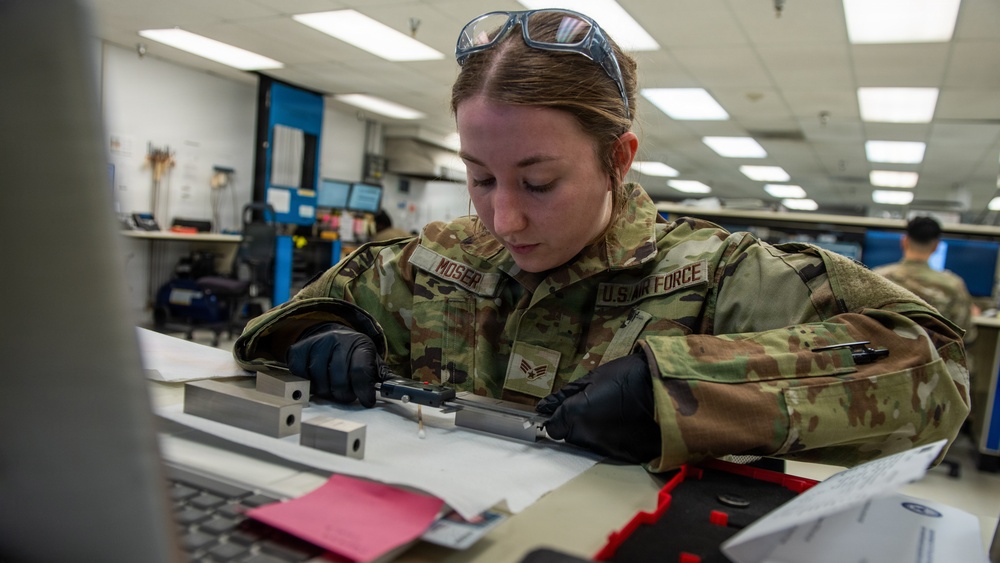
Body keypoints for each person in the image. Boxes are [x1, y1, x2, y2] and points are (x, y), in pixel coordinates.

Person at [234, 9, 969, 471]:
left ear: (619, 158)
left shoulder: (720, 276)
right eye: (481, 178)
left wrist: (686, 387)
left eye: (540, 182)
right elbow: (275, 327)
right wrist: (320, 330)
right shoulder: (433, 262)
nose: (504, 220)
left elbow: (936, 373)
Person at [874, 216, 979, 345]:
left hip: (886, 358)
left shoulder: (878, 277)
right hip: (932, 361)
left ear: (904, 242)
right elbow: (966, 335)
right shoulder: (953, 285)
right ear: (935, 246)